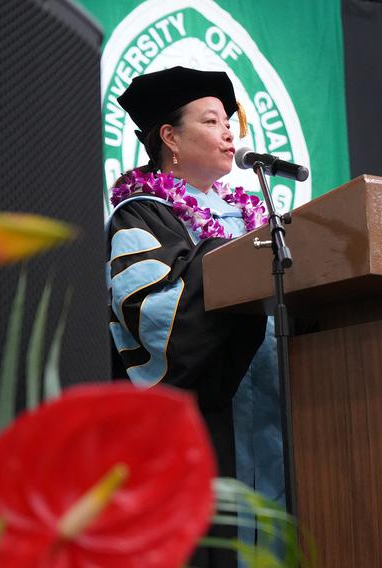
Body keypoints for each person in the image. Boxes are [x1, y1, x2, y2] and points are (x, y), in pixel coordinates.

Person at [106, 66, 283, 567]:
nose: (230, 130)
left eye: (229, 120)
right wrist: (237, 266)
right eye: (211, 120)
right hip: (203, 436)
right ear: (170, 137)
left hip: (274, 425)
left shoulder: (256, 219)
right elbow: (161, 318)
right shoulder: (139, 215)